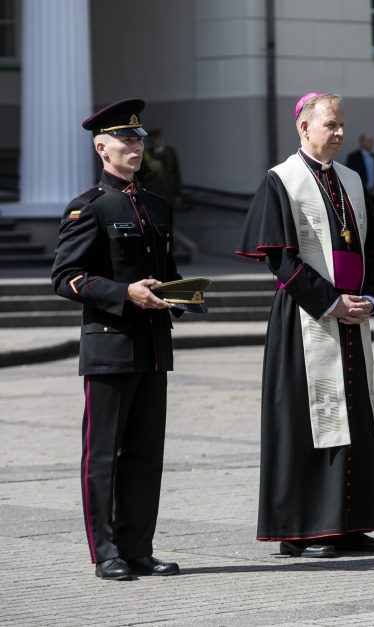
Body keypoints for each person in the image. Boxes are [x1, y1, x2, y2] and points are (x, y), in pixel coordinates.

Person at [235, 92, 374, 558]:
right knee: (308, 422)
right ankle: (305, 530)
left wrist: (370, 298)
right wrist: (330, 303)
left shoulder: (350, 178)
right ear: (304, 128)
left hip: (351, 315)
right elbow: (280, 261)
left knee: (354, 417)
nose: (339, 132)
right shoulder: (281, 180)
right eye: (331, 124)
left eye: (342, 124)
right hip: (305, 317)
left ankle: (349, 524)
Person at [50, 99, 184, 581]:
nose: (135, 147)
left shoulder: (155, 206)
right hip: (109, 346)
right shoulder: (87, 207)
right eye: (125, 141)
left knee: (147, 455)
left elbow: (167, 273)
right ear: (101, 148)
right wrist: (123, 294)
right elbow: (66, 276)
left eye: (139, 139)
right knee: (104, 454)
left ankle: (138, 547)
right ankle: (106, 551)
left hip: (152, 348)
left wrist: (181, 295)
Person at [139, 128, 183, 210]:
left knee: (170, 217)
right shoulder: (146, 155)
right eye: (152, 140)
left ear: (161, 139)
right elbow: (141, 174)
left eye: (157, 139)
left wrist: (178, 194)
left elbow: (176, 173)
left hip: (169, 192)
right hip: (153, 193)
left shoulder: (170, 152)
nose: (155, 141)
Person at [346, 133, 374, 208]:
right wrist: (364, 188)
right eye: (368, 141)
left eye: (371, 141)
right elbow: (350, 175)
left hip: (373, 196)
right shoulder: (353, 157)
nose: (371, 143)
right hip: (359, 194)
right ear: (361, 142)